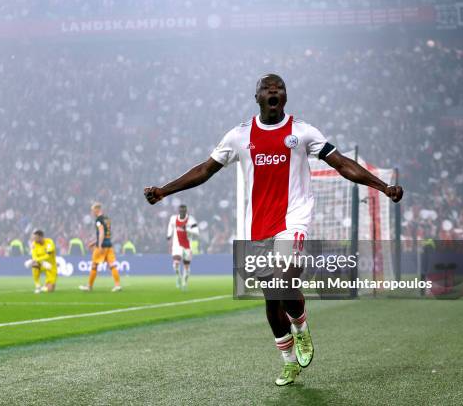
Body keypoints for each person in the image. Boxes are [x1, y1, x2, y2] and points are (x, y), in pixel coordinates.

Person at [144, 73, 403, 386]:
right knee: (270, 298)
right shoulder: (239, 136)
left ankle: (301, 326)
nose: (273, 91)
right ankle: (288, 361)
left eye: (278, 88)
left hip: (293, 219)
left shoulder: (302, 131)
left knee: (283, 278)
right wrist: (164, 191)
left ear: (285, 96)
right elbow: (204, 170)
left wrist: (383, 186)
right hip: (258, 226)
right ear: (257, 97)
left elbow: (341, 163)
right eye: (267, 88)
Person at [79, 202, 122, 292]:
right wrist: (94, 242)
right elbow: (106, 233)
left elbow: (101, 232)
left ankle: (89, 286)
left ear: (97, 209)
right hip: (109, 244)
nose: (92, 213)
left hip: (102, 245)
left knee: (94, 265)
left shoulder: (99, 220)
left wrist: (99, 245)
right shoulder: (107, 219)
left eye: (93, 210)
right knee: (112, 265)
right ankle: (117, 285)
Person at [167, 204, 199, 290]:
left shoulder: (191, 220)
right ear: (178, 211)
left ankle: (185, 283)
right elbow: (170, 225)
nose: (182, 212)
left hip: (187, 245)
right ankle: (178, 277)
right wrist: (169, 234)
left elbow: (196, 232)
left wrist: (187, 229)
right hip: (177, 245)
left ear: (186, 211)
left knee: (186, 266)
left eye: (183, 211)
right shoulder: (173, 218)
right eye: (180, 211)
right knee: (176, 264)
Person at [25, 229, 57, 293]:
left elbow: (48, 256)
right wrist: (37, 261)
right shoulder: (34, 244)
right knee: (34, 264)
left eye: (35, 238)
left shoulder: (49, 242)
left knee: (50, 289)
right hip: (41, 264)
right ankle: (37, 284)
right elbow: (34, 256)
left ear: (41, 237)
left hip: (50, 266)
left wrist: (36, 260)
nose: (34, 239)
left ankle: (44, 287)